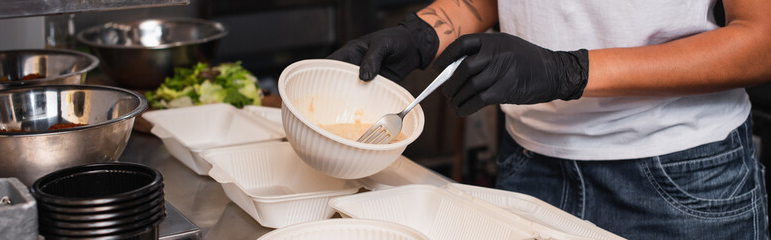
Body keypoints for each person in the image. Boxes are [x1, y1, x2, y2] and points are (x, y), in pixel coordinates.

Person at [328, 0, 771, 239]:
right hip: (529, 168)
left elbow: (761, 40)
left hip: (679, 182)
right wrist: (423, 32)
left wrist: (569, 71)